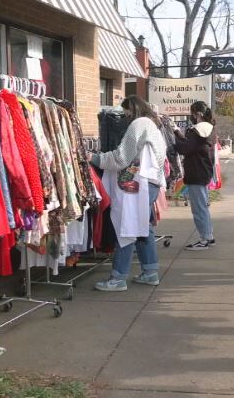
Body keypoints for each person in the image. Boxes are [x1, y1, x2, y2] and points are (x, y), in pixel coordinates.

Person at [90, 95, 167, 291]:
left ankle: (118, 277)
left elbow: (121, 157)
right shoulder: (153, 125)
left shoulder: (139, 124)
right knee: (143, 227)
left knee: (127, 227)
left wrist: (94, 158)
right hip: (150, 182)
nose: (124, 116)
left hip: (135, 185)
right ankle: (150, 272)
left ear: (132, 109)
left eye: (125, 112)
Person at [174, 101, 216, 251]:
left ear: (197, 114)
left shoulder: (198, 131)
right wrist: (178, 133)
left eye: (191, 113)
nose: (190, 117)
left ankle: (204, 239)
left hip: (196, 173)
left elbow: (185, 148)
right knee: (202, 207)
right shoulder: (208, 130)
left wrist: (174, 140)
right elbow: (191, 145)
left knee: (198, 209)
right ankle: (208, 236)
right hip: (203, 172)